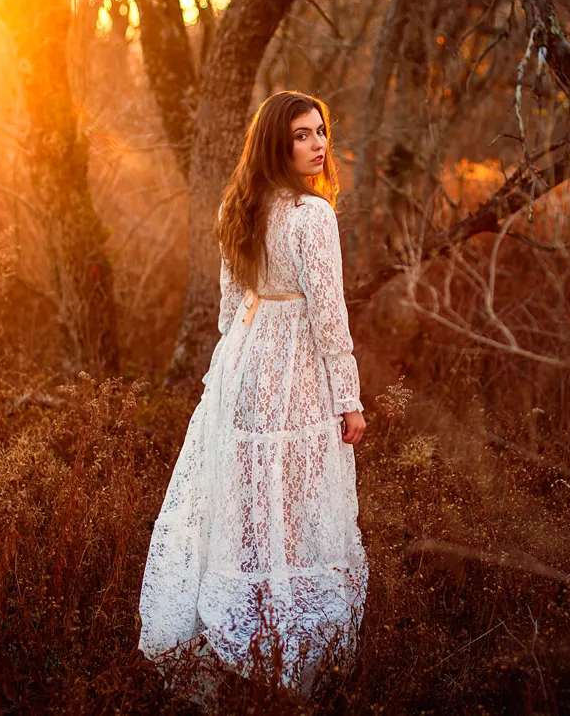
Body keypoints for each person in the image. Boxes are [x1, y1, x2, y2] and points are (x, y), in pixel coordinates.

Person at [137, 91, 368, 698]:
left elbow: (226, 312)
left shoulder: (238, 206)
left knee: (251, 498)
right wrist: (348, 398)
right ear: (275, 145)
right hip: (293, 371)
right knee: (292, 502)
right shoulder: (312, 216)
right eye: (301, 135)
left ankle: (252, 636)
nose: (318, 145)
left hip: (242, 361)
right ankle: (283, 650)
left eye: (321, 131)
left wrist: (238, 367)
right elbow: (329, 317)